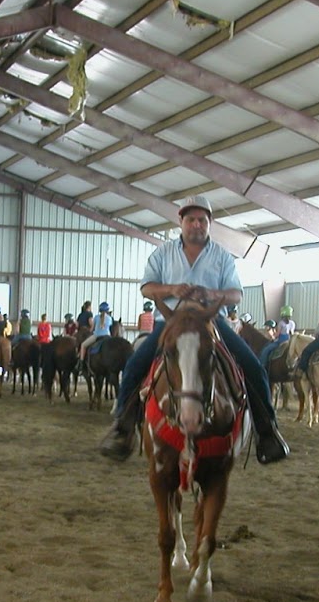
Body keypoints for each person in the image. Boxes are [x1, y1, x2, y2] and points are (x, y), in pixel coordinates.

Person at [98, 195, 289, 465]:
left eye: (202, 220)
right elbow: (146, 287)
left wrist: (211, 293)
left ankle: (267, 431)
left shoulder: (222, 257)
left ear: (209, 223)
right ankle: (123, 426)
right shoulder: (163, 254)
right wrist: (172, 289)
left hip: (212, 322)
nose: (196, 225)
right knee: (136, 363)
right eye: (191, 220)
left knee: (252, 366)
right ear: (181, 222)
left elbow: (236, 295)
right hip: (172, 321)